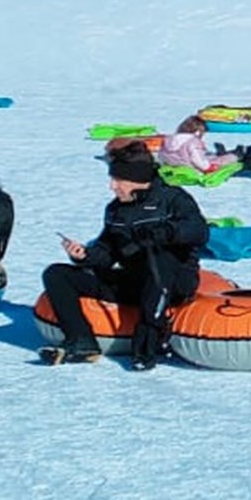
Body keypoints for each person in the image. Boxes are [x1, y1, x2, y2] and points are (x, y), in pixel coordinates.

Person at [41, 143, 208, 369]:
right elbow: (107, 253)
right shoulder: (116, 209)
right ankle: (81, 341)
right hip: (134, 282)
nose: (112, 186)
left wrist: (165, 233)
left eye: (118, 180)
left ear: (136, 179)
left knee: (159, 260)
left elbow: (199, 230)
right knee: (56, 274)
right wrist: (85, 256)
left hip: (173, 283)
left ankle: (147, 346)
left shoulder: (173, 199)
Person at [157, 115, 228, 178]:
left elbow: (161, 155)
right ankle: (229, 155)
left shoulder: (168, 139)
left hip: (172, 165)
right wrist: (208, 168)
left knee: (207, 155)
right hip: (190, 168)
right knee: (223, 159)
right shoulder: (192, 142)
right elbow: (197, 160)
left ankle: (217, 154)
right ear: (198, 132)